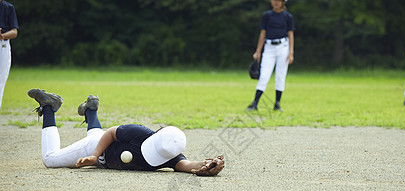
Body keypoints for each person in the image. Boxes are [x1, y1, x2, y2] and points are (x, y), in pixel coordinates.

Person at [28, 89, 225, 176]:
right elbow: (112, 133)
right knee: (50, 159)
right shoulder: (140, 133)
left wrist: (205, 165)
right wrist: (93, 156)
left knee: (94, 133)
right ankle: (48, 107)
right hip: (97, 149)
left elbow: (187, 164)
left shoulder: (168, 153)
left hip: (101, 147)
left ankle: (90, 110)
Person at [247, 0, 295, 112]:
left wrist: (291, 52)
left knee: (280, 75)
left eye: (279, 0)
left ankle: (277, 104)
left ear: (283, 2)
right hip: (269, 47)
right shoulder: (267, 15)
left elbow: (290, 34)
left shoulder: (288, 16)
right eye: (274, 0)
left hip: (283, 46)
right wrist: (258, 51)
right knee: (264, 75)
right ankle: (255, 103)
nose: (276, 2)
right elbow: (262, 33)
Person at [0, 0, 19, 109]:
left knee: (1, 79)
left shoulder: (8, 7)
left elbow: (14, 32)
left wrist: (2, 35)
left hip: (2, 44)